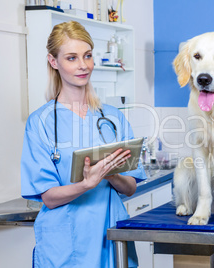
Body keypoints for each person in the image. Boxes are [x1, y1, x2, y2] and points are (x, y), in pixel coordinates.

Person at [21, 21, 145, 267]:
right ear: (54, 62)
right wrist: (87, 184)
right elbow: (49, 198)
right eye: (72, 58)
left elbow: (130, 187)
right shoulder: (40, 123)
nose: (83, 65)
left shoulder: (113, 118)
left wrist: (111, 174)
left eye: (87, 56)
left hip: (110, 235)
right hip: (64, 242)